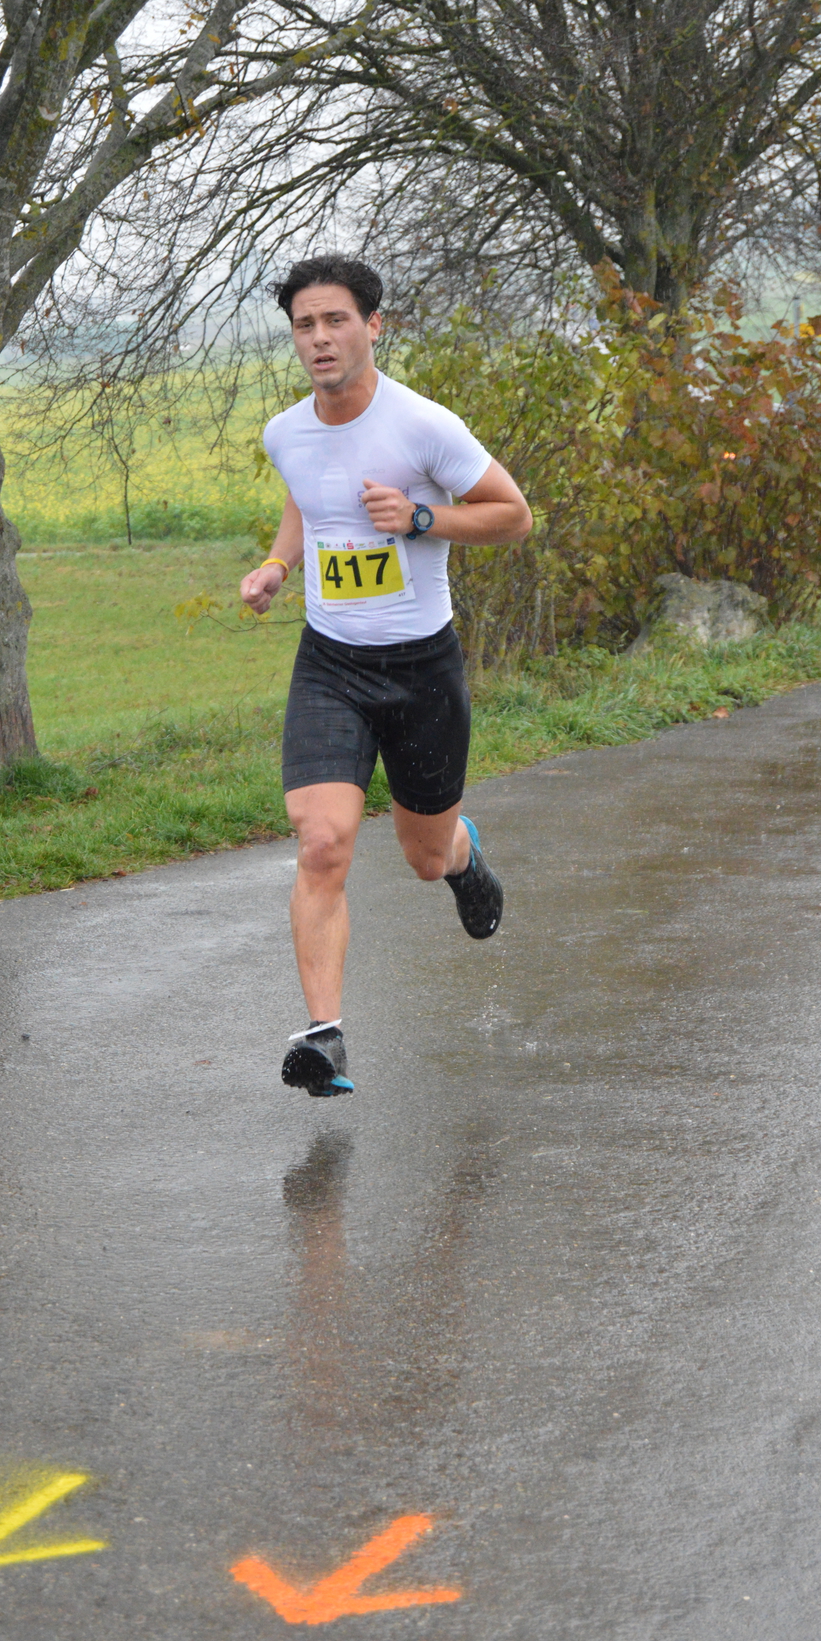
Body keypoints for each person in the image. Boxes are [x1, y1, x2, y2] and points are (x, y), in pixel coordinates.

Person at [240, 254, 532, 1098]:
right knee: (322, 840)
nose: (320, 338)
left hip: (421, 669)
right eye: (305, 324)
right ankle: (324, 1038)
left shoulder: (424, 426)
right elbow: (307, 498)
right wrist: (277, 564)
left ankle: (464, 856)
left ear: (373, 325)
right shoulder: (286, 432)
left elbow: (512, 515)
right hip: (331, 664)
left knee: (423, 856)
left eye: (336, 320)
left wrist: (421, 516)